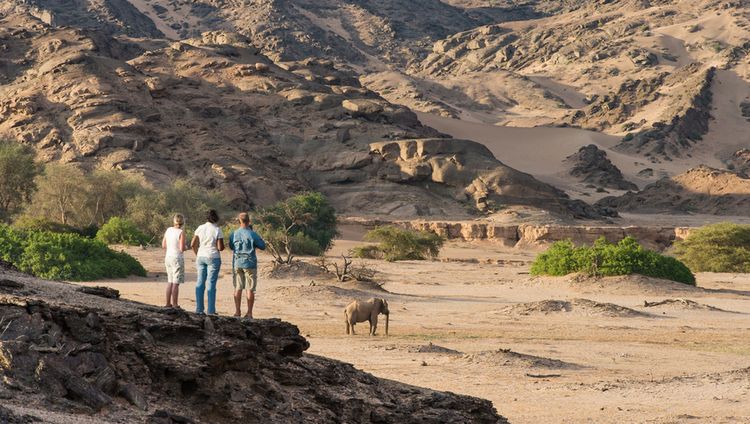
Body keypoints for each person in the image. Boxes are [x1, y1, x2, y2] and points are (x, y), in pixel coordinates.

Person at [228, 212, 266, 318]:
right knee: (250, 288)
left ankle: (237, 312)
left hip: (237, 263)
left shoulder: (234, 233)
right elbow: (263, 246)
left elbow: (231, 247)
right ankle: (249, 313)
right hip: (250, 263)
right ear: (249, 221)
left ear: (239, 221)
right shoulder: (252, 234)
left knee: (238, 287)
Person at [191, 209, 224, 315]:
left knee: (200, 283)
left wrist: (197, 254)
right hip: (213, 257)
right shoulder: (217, 229)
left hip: (201, 256)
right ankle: (211, 310)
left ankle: (199, 309)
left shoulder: (200, 228)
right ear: (216, 218)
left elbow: (193, 244)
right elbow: (220, 247)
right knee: (211, 284)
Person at [162, 214, 187, 308]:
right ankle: (175, 304)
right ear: (182, 222)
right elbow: (181, 248)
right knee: (176, 283)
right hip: (177, 258)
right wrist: (186, 248)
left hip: (168, 257)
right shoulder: (181, 232)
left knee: (170, 281)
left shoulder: (168, 230)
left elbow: (163, 245)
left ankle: (168, 303)